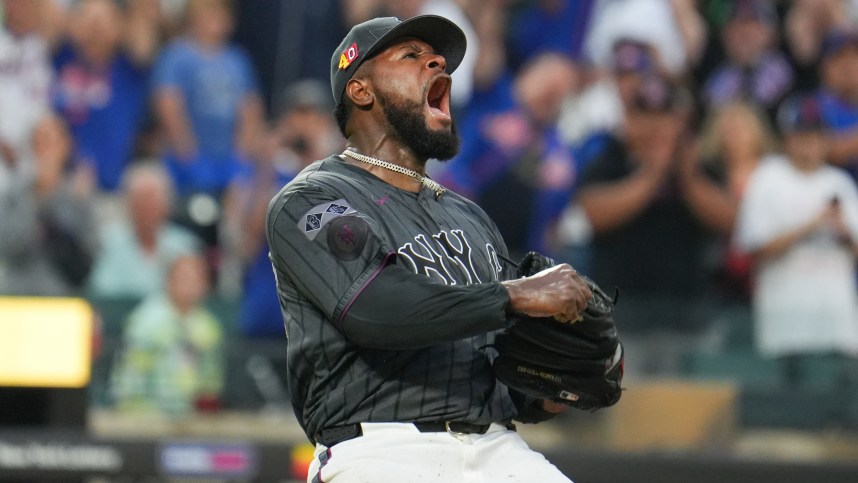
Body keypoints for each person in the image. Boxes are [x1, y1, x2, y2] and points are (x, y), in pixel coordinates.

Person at [266, 15, 592, 483]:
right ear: (361, 91)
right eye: (411, 56)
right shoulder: (313, 199)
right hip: (380, 446)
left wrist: (549, 391)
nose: (438, 62)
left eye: (436, 57)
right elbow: (378, 308)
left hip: (497, 446)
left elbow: (491, 361)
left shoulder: (470, 217)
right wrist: (516, 295)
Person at [735, 94, 858, 364]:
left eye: (815, 136)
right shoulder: (767, 178)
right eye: (801, 135)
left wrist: (843, 232)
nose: (809, 144)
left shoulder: (840, 183)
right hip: (785, 325)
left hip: (837, 325)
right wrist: (812, 224)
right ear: (786, 139)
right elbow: (755, 249)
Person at [112, 253, 224, 415]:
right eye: (184, 277)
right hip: (146, 418)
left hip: (194, 422)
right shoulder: (145, 323)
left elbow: (212, 386)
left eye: (196, 278)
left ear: (205, 285)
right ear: (169, 280)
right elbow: (128, 384)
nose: (190, 284)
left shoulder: (209, 327)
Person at [86, 161, 201, 299]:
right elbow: (103, 291)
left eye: (152, 200)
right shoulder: (109, 241)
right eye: (140, 201)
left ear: (166, 205)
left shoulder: (185, 246)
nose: (146, 209)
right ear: (128, 204)